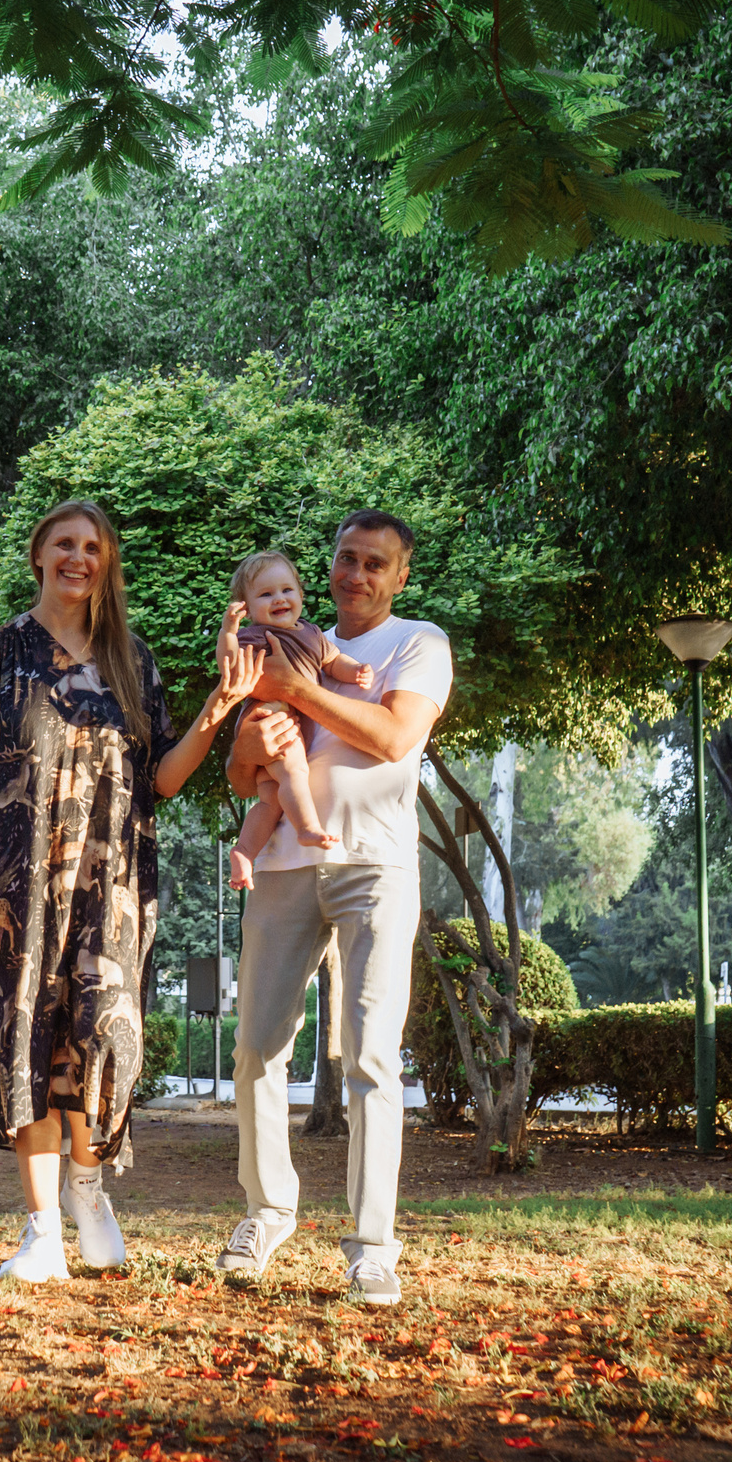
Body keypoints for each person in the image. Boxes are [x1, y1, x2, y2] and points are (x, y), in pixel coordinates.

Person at [0, 500, 261, 1283]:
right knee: (25, 1037)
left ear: (105, 563)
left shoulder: (131, 660)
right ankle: (43, 1230)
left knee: (98, 1039)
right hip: (14, 881)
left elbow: (163, 780)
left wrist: (218, 706)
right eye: (64, 544)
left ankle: (89, 1182)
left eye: (92, 547)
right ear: (39, 554)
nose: (78, 557)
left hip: (113, 882)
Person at [215, 511, 451, 1307]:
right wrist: (259, 728)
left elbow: (392, 737)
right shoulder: (287, 635)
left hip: (374, 866)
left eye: (374, 563)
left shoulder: (418, 643)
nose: (356, 574)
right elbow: (244, 774)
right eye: (346, 559)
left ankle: (373, 1246)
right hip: (283, 865)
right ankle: (266, 1210)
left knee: (372, 1057)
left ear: (399, 576)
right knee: (255, 1049)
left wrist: (300, 689)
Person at [220, 549, 374, 889]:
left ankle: (244, 852)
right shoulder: (255, 635)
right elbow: (230, 666)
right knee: (295, 772)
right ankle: (307, 827)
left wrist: (356, 672)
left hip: (282, 723)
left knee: (269, 800)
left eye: (286, 590)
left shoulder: (312, 635)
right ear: (247, 608)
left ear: (300, 594)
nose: (278, 599)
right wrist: (229, 632)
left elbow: (334, 662)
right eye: (265, 594)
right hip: (271, 718)